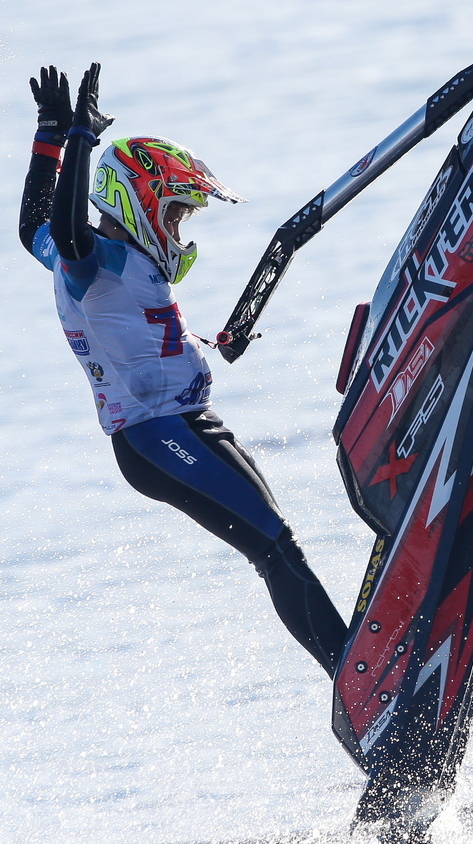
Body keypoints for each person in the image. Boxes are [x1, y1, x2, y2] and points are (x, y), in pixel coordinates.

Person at [19, 62, 347, 678]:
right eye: (173, 214)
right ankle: (361, 678)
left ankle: (360, 666)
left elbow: (28, 225)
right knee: (275, 547)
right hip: (158, 435)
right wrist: (80, 141)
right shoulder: (92, 261)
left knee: (279, 543)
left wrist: (48, 135)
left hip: (189, 425)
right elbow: (60, 230)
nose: (179, 231)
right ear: (137, 204)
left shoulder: (119, 261)